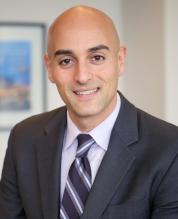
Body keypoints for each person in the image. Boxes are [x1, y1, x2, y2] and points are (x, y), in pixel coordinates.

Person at [0, 5, 178, 219]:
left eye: (97, 58)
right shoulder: (24, 138)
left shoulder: (169, 148)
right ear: (49, 68)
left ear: (120, 60)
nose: (82, 76)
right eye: (66, 61)